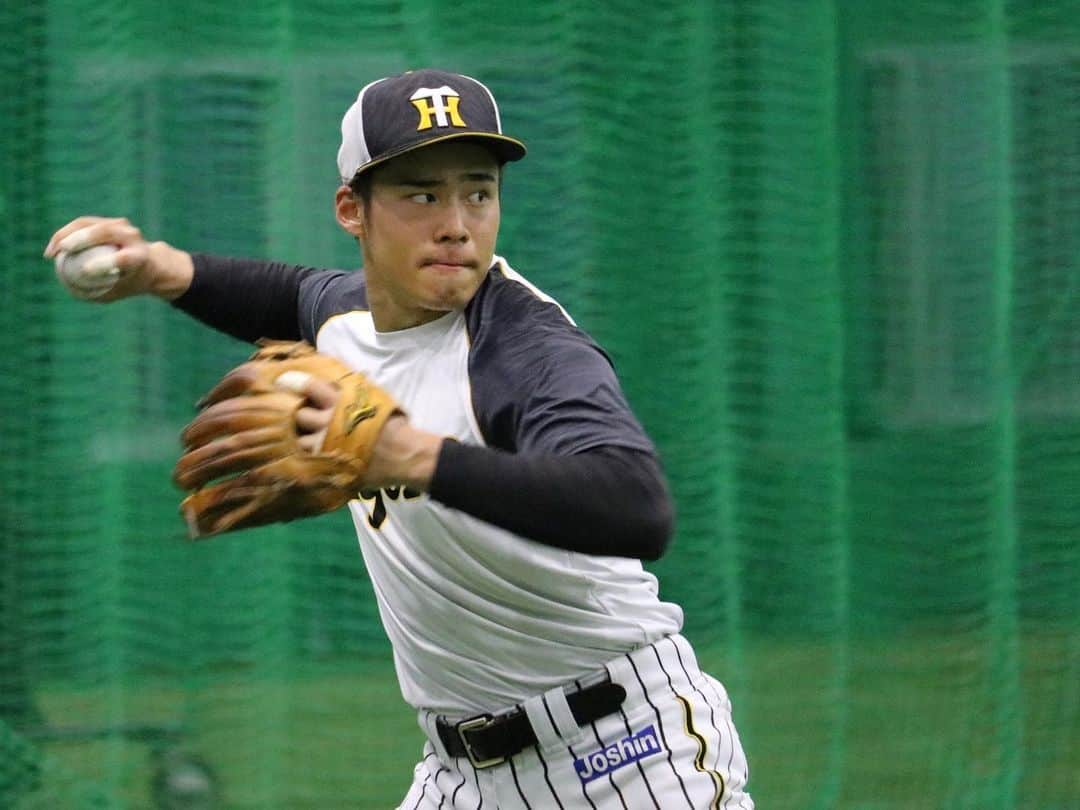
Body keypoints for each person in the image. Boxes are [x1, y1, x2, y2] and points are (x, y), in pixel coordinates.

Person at [44, 69, 753, 809]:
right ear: (353, 210)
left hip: (624, 753)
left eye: (477, 191)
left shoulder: (526, 350)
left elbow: (639, 507)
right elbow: (285, 292)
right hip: (461, 772)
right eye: (422, 195)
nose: (456, 222)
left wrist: (405, 453)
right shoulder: (349, 318)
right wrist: (161, 268)